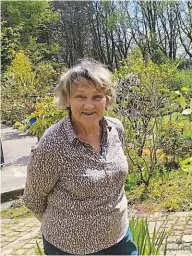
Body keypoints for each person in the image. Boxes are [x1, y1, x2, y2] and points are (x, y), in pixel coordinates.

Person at [23, 59, 138, 255]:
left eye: (97, 96)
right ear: (67, 99)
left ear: (106, 99)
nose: (89, 105)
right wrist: (71, 226)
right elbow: (33, 199)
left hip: (119, 238)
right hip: (71, 247)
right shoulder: (53, 143)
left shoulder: (115, 129)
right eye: (80, 96)